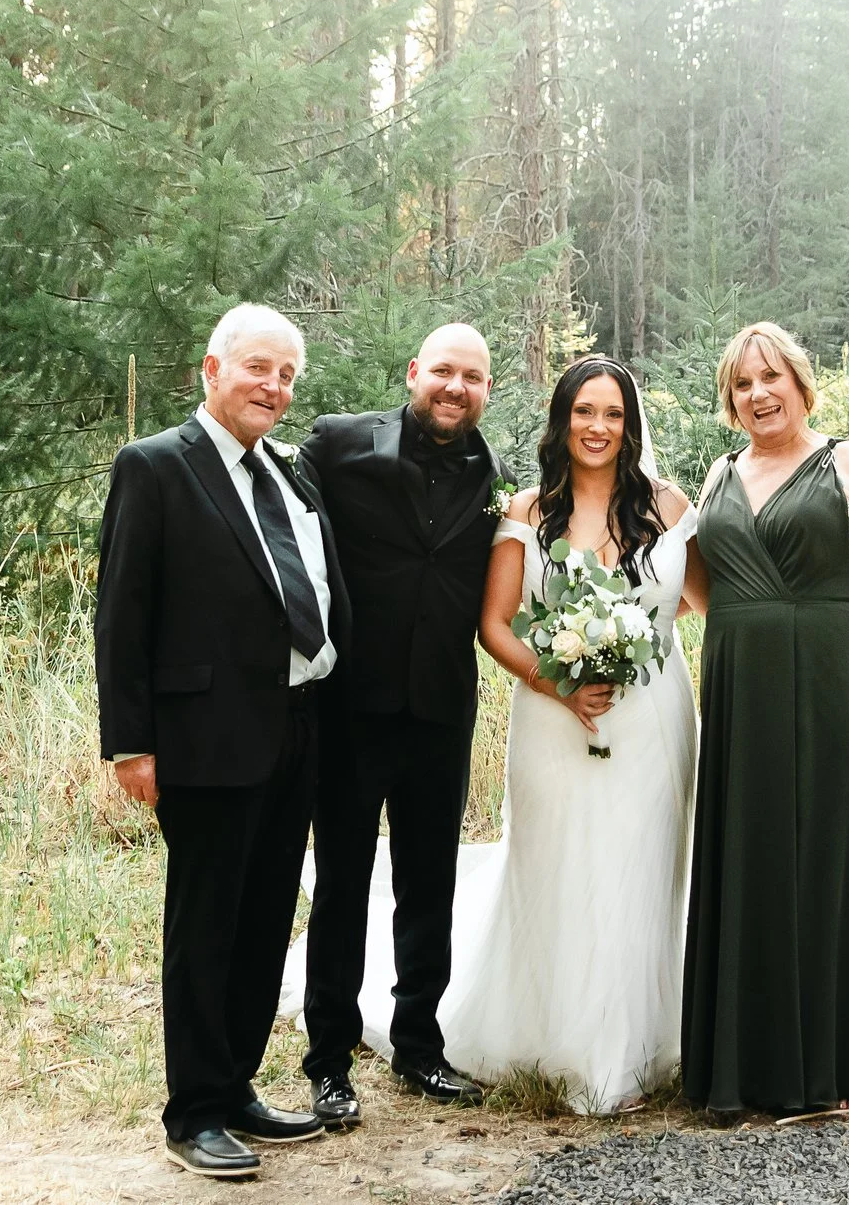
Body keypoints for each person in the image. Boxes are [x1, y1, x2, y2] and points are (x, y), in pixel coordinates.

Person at [94, 303, 351, 1183]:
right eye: (258, 368)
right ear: (213, 368)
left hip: (296, 726)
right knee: (206, 923)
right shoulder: (157, 466)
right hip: (206, 735)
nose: (274, 387)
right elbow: (122, 613)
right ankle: (193, 1110)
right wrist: (130, 744)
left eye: (286, 375)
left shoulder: (288, 474)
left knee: (265, 917)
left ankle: (235, 1084)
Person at [679, 320, 849, 1116]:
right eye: (742, 384)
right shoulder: (718, 473)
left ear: (799, 381)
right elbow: (696, 585)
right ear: (731, 399)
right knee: (749, 855)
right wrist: (751, 625)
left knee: (833, 853)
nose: (758, 394)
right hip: (741, 689)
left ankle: (846, 1062)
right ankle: (751, 1064)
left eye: (770, 378)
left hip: (833, 681)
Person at [448, 355, 698, 1113]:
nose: (599, 427)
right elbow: (493, 624)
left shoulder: (668, 503)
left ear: (631, 425)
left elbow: (704, 598)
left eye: (613, 413)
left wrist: (634, 642)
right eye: (584, 412)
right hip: (552, 719)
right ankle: (559, 1040)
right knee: (558, 864)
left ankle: (637, 1042)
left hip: (653, 716)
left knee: (644, 864)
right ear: (563, 421)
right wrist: (559, 675)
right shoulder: (526, 509)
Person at [297, 324, 502, 1124]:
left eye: (473, 377)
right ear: (414, 371)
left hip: (443, 710)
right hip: (350, 709)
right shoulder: (338, 446)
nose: (456, 387)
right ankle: (328, 1057)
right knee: (342, 885)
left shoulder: (496, 476)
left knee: (430, 884)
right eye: (443, 371)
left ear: (487, 391)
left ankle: (419, 1043)